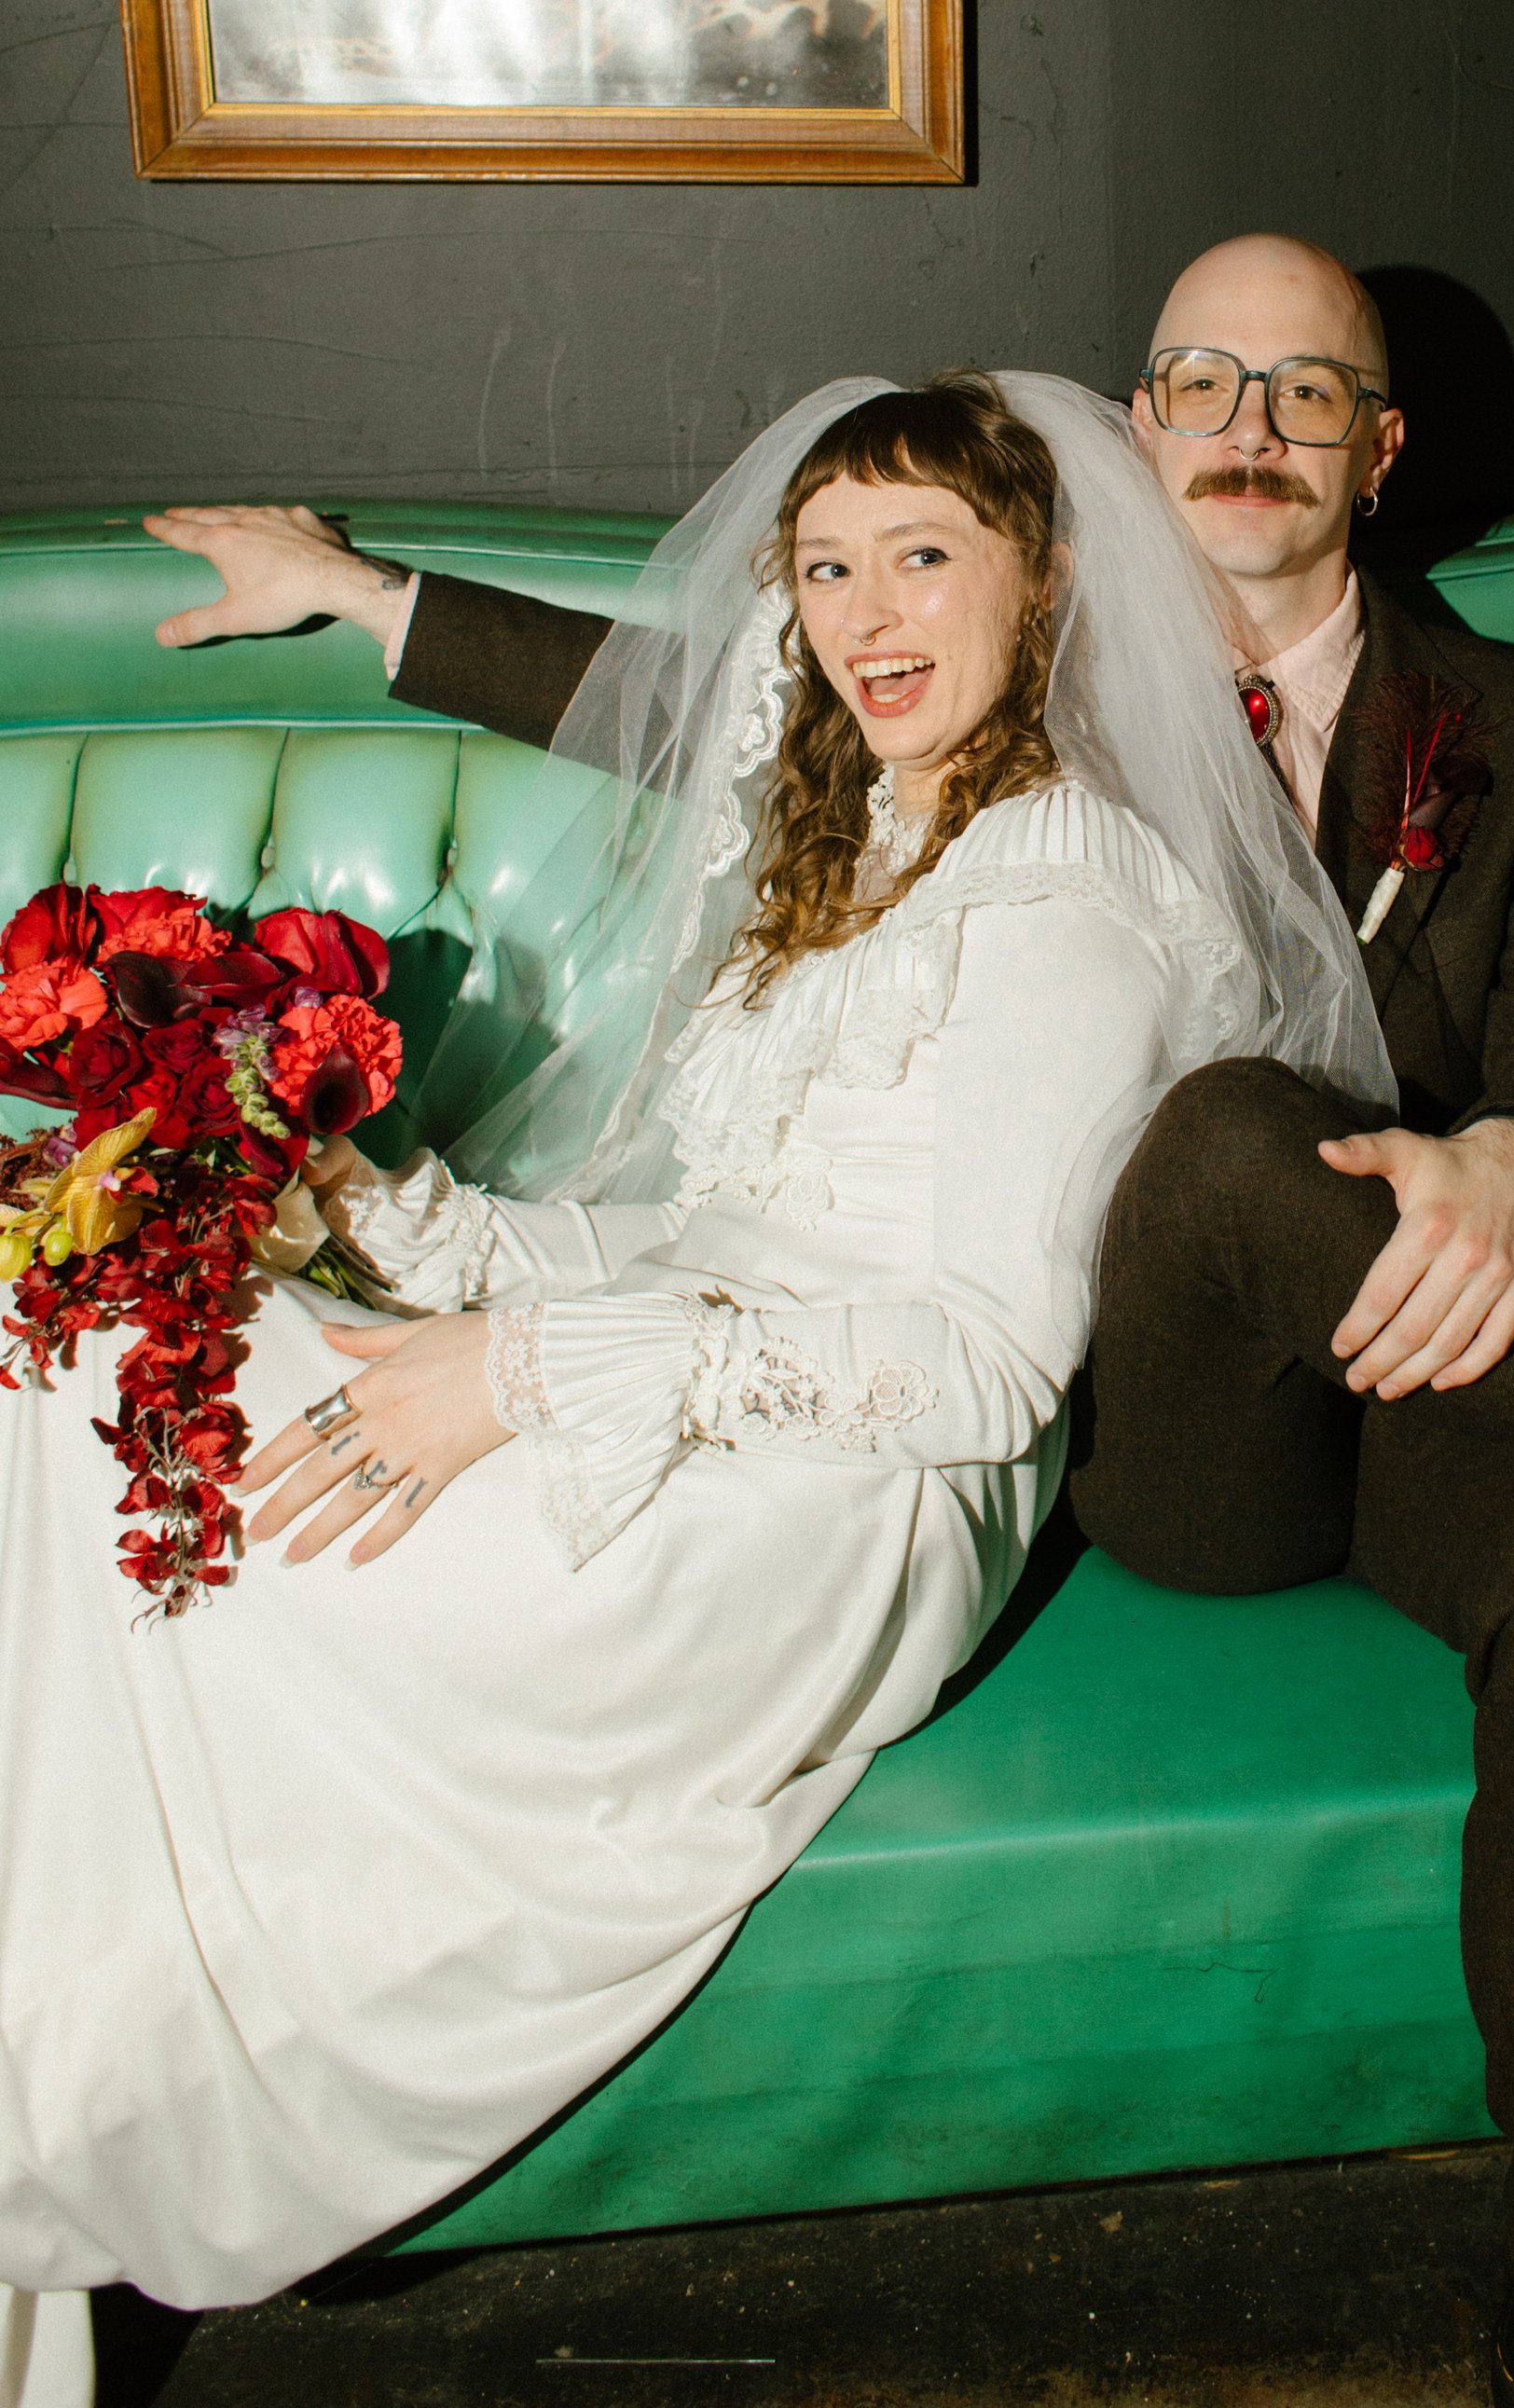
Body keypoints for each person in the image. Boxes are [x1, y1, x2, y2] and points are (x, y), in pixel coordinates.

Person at [146, 240, 1514, 2408]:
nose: (1243, 426)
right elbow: (700, 698)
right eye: (1198, 381)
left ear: (1377, 451)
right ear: (1129, 436)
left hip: (1467, 1359)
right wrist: (359, 594)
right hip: (1166, 1406)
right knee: (1234, 1131)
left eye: (1302, 394)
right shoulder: (1007, 696)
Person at [0, 372, 1379, 2408]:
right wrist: (393, 1209)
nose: (865, 610)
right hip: (708, 1363)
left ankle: (62, 2122)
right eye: (826, 566)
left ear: (1048, 575)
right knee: (83, 1303)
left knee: (101, 1407)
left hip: (835, 1498)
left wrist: (525, 1370)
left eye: (924, 554)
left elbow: (982, 1371)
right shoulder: (872, 834)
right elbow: (717, 1224)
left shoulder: (1061, 890)